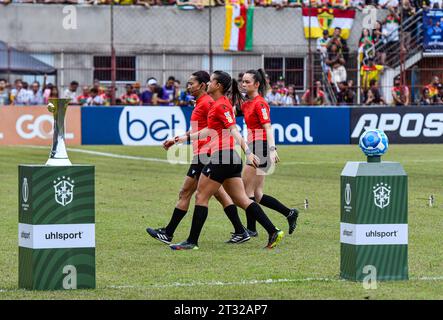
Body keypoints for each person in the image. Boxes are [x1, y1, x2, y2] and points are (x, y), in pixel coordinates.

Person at [169, 71, 284, 250]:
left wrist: (248, 151)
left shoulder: (221, 106)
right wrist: (183, 138)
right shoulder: (218, 105)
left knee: (201, 196)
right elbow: (210, 131)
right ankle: (273, 230)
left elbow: (233, 129)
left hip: (221, 157)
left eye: (211, 81)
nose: (207, 84)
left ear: (218, 86)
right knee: (241, 199)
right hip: (229, 158)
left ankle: (192, 241)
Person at [146, 71, 250, 245]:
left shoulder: (209, 102)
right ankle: (241, 230)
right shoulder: (202, 102)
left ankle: (169, 233)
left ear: (203, 85)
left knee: (187, 192)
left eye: (191, 83)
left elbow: (220, 125)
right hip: (206, 153)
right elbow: (200, 128)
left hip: (206, 154)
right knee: (220, 194)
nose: (188, 86)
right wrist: (177, 139)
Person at [239, 69, 299, 237]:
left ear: (257, 84)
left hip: (261, 147)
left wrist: (272, 150)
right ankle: (289, 213)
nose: (244, 84)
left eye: (247, 82)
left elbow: (268, 127)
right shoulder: (246, 102)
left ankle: (251, 229)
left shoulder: (260, 103)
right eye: (242, 81)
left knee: (245, 192)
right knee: (257, 194)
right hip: (255, 145)